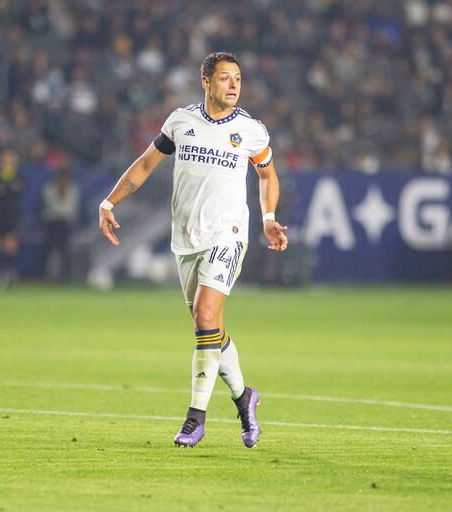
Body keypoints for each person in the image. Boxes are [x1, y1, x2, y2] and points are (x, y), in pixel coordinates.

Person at [98, 52, 288, 448]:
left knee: (205, 315)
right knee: (209, 329)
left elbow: (267, 175)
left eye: (237, 78)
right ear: (205, 82)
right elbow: (146, 165)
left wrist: (269, 216)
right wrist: (109, 202)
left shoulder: (251, 130)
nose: (233, 85)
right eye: (224, 78)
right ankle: (244, 397)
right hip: (186, 239)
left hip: (228, 233)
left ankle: (194, 419)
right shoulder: (181, 122)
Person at [0, 148, 24, 288]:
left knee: (10, 246)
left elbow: (18, 190)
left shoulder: (18, 177)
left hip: (12, 217)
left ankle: (9, 274)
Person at [41, 166, 80, 282]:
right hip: (52, 223)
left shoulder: (73, 189)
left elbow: (71, 208)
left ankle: (66, 277)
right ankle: (47, 277)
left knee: (66, 251)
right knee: (49, 251)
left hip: (66, 223)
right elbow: (51, 206)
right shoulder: (49, 188)